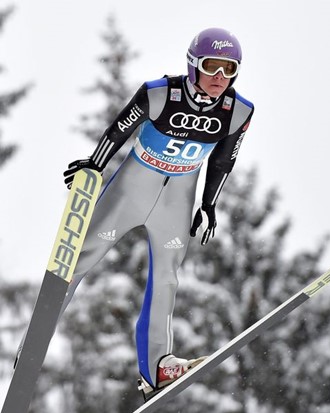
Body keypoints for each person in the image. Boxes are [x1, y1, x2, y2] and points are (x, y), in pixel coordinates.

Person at [60, 27, 254, 398]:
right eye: (212, 66)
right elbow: (119, 129)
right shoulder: (160, 93)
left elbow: (224, 160)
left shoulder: (238, 111)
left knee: (167, 278)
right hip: (132, 188)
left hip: (177, 200)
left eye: (228, 69)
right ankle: (35, 340)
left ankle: (157, 369)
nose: (219, 77)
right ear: (193, 64)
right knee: (77, 260)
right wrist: (95, 166)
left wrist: (209, 204)